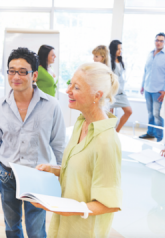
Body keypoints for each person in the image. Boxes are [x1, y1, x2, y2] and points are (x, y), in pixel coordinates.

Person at [33, 62, 122, 238]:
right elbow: (83, 173)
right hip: (63, 224)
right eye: (70, 84)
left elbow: (110, 203)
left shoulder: (106, 141)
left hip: (83, 231)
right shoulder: (81, 123)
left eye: (77, 87)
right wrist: (54, 169)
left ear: (97, 95)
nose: (68, 90)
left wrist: (67, 208)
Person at [0, 47, 66, 238]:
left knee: (36, 229)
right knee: (12, 226)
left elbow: (59, 145)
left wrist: (63, 178)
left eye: (23, 71)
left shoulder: (52, 106)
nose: (16, 76)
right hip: (7, 175)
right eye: (12, 70)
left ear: (35, 75)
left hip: (37, 175)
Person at [140, 32, 165, 142]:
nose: (158, 42)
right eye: (157, 40)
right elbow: (146, 71)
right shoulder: (150, 53)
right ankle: (150, 133)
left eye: (161, 40)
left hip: (159, 91)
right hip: (148, 89)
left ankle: (160, 138)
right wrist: (142, 85)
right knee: (150, 113)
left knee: (157, 115)